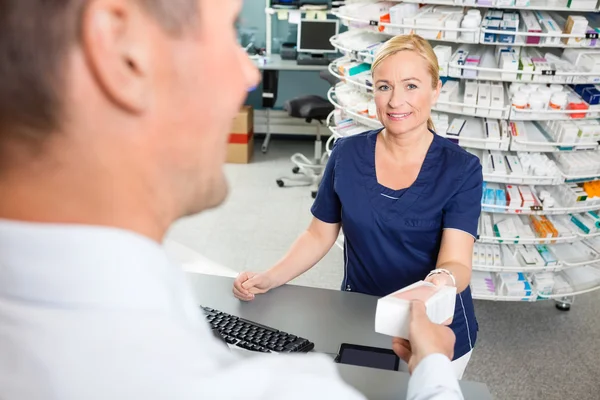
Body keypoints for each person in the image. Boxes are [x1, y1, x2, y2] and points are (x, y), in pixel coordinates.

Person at [0, 1, 463, 399]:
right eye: (226, 34)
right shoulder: (286, 388)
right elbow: (320, 231)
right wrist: (433, 371)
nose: (247, 73)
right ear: (120, 51)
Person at [234, 34, 484, 379]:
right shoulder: (347, 154)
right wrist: (269, 277)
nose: (396, 101)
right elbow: (318, 234)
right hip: (360, 314)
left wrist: (438, 283)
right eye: (384, 87)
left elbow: (457, 261)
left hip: (432, 329)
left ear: (435, 90)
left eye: (411, 85)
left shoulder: (461, 169)